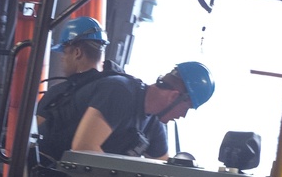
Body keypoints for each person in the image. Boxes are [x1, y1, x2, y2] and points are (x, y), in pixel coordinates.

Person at [36, 15, 166, 162]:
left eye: (65, 52)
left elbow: (31, 140)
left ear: (77, 52)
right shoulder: (122, 89)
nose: (62, 58)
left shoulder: (58, 93)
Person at [69, 59, 215, 158]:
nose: (183, 116)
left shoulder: (154, 124)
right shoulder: (120, 92)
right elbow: (84, 148)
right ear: (174, 97)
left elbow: (163, 170)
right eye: (187, 108)